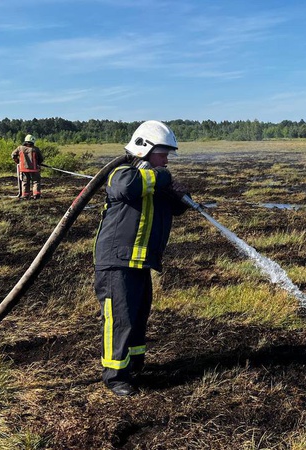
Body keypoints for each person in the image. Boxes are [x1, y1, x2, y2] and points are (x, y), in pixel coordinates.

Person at [92, 120, 190, 396]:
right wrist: (164, 179)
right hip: (116, 262)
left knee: (137, 315)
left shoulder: (153, 180)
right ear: (144, 148)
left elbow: (175, 209)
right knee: (120, 318)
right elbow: (127, 188)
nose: (166, 159)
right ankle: (115, 375)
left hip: (138, 262)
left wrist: (181, 195)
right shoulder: (122, 174)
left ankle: (134, 364)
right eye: (162, 152)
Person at [11, 134, 44, 200]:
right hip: (34, 169)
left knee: (25, 182)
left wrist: (17, 161)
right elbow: (41, 158)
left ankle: (25, 195)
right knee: (36, 182)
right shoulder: (36, 149)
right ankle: (36, 195)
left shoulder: (20, 148)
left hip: (23, 169)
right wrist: (38, 164)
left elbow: (13, 155)